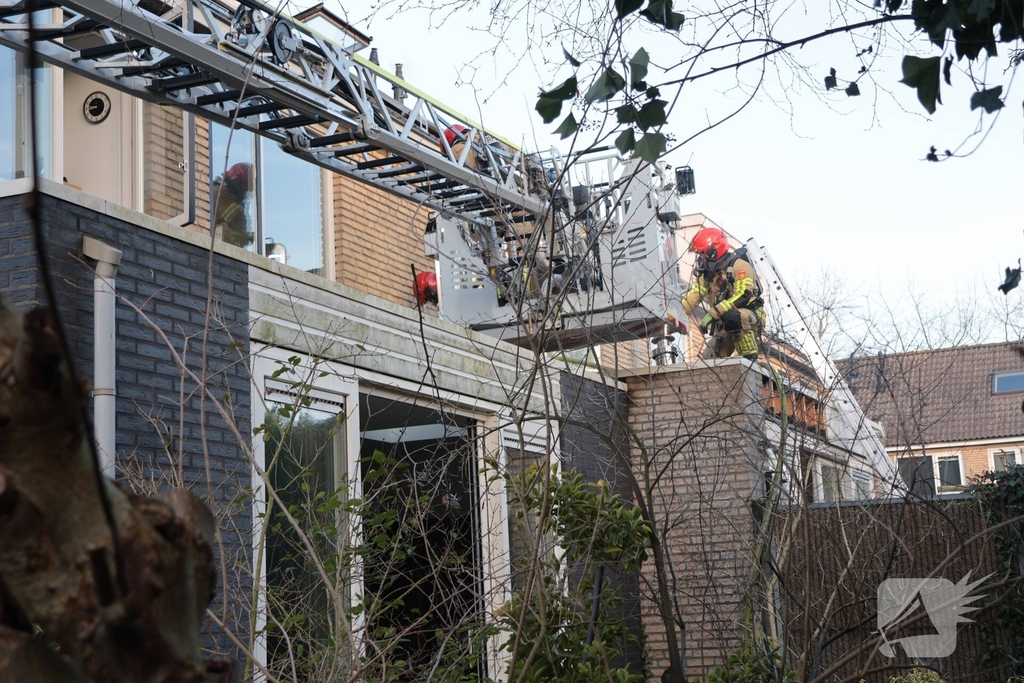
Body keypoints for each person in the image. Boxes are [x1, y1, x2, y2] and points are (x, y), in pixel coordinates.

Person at [682, 227, 764, 360]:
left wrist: (713, 313)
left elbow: (744, 295)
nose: (700, 259)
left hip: (750, 318)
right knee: (707, 365)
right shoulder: (707, 276)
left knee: (734, 317)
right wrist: (673, 314)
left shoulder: (740, 266)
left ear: (714, 252)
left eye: (702, 255)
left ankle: (750, 360)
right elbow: (694, 296)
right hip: (726, 324)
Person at [211, 162, 255, 247]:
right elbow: (238, 229)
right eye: (246, 189)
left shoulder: (218, 190)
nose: (246, 193)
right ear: (240, 183)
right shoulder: (222, 195)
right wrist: (250, 237)